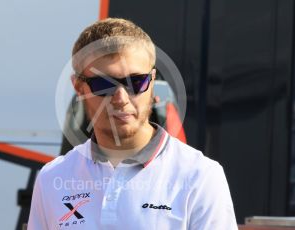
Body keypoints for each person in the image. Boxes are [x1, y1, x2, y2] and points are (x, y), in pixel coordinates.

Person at [28, 18, 238, 230]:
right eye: (103, 84)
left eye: (136, 82)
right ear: (79, 87)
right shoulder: (52, 178)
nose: (121, 98)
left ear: (152, 81)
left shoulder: (200, 176)